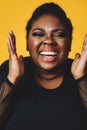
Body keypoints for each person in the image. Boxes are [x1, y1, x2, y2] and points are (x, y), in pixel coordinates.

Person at [0, 2, 87, 130]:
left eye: (59, 34)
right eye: (38, 34)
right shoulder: (9, 70)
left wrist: (80, 78)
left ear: (69, 44)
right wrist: (12, 79)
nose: (49, 41)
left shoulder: (83, 71)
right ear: (27, 44)